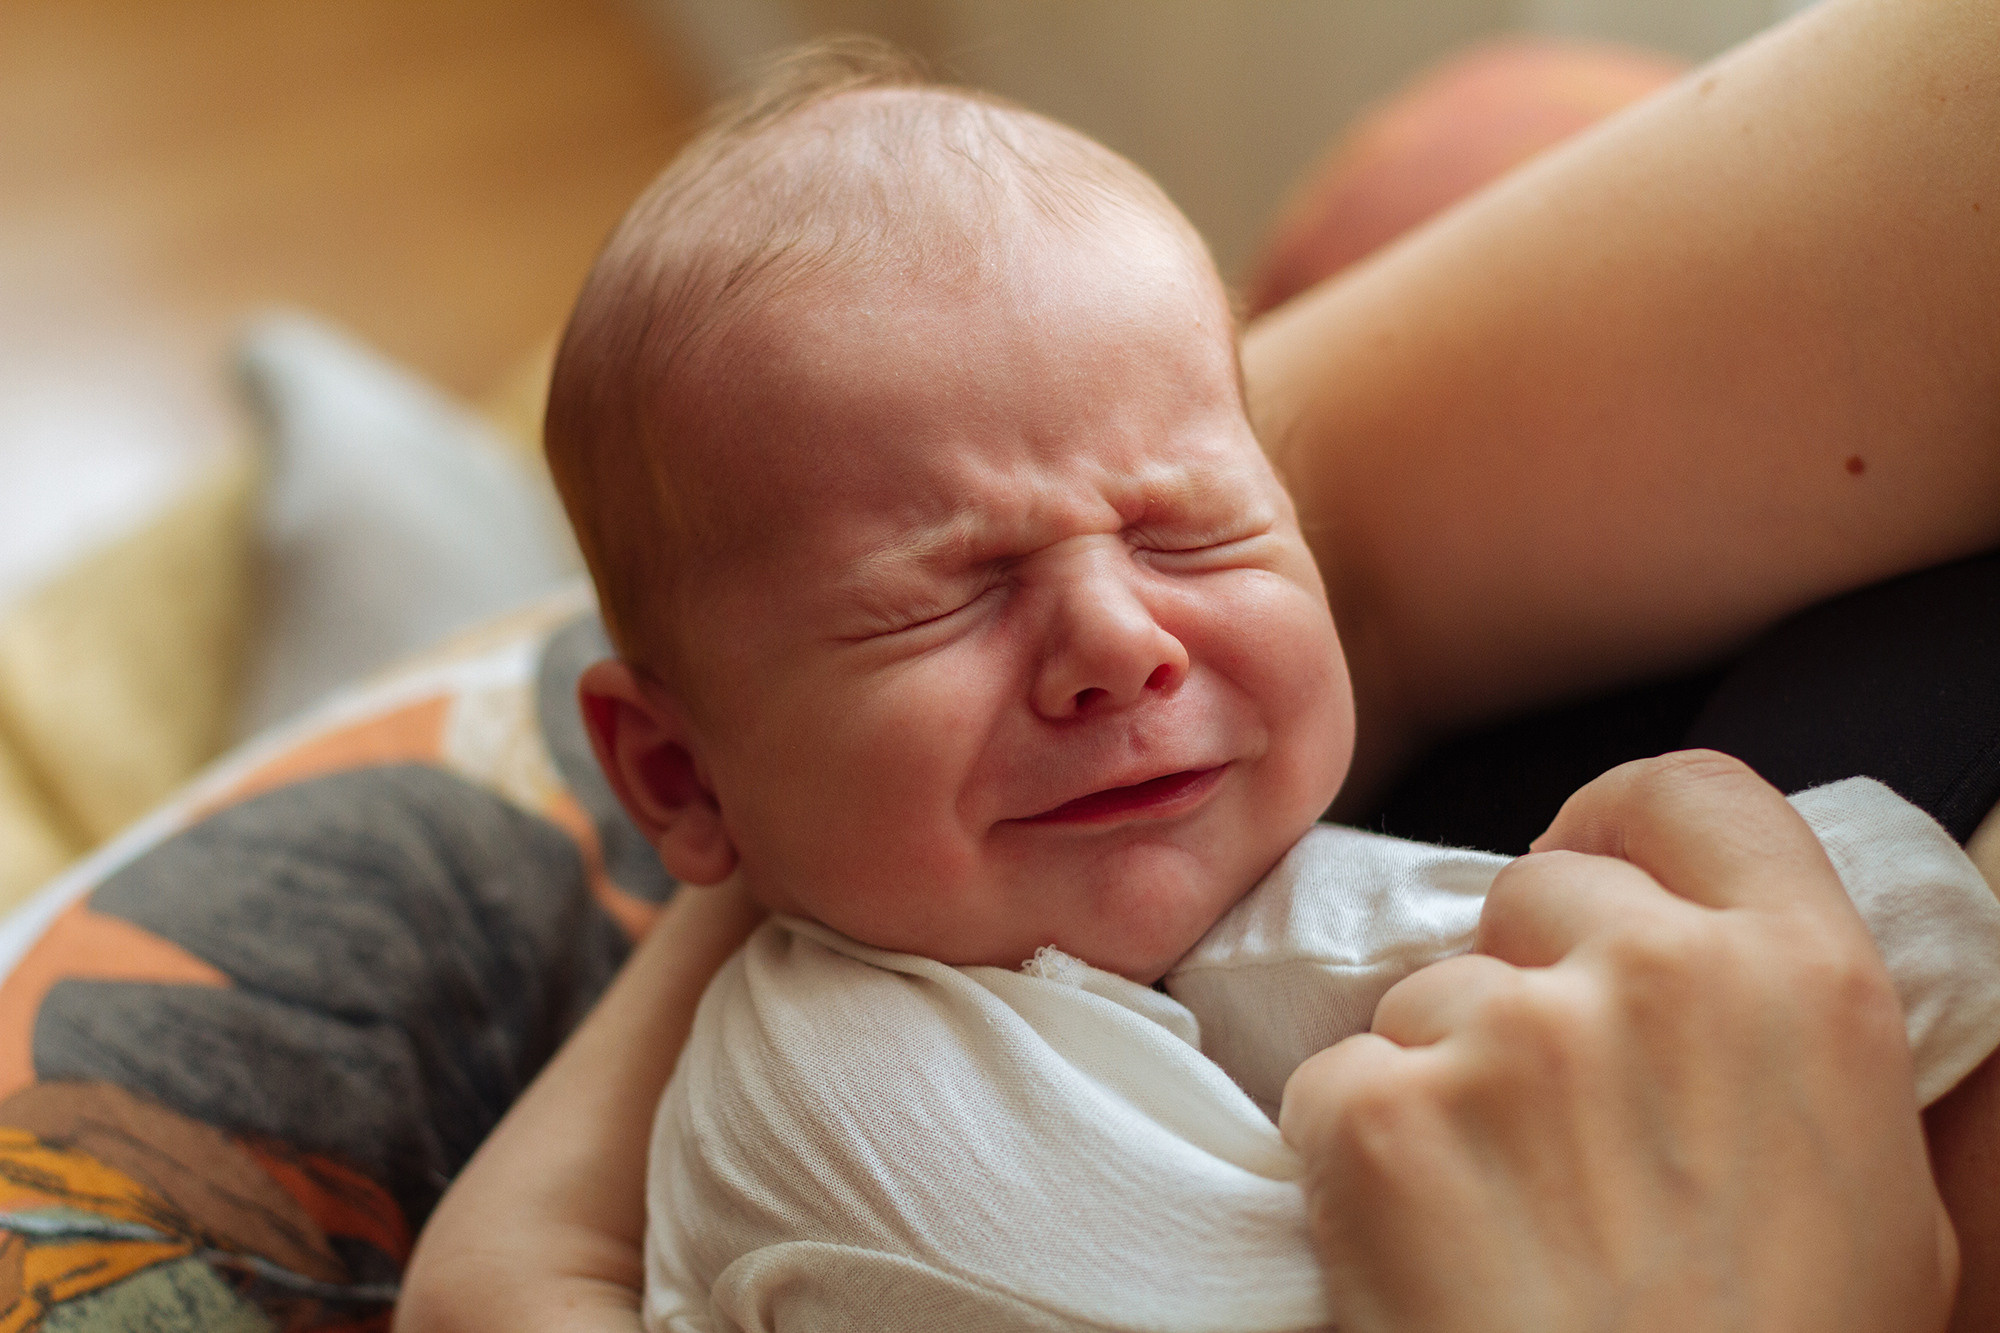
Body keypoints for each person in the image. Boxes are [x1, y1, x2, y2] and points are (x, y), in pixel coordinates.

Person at [393, 0, 2000, 1327]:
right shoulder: (971, 1058)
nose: (1119, 641)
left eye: (1195, 534)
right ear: (675, 773)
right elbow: (1851, 960)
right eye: (938, 597)